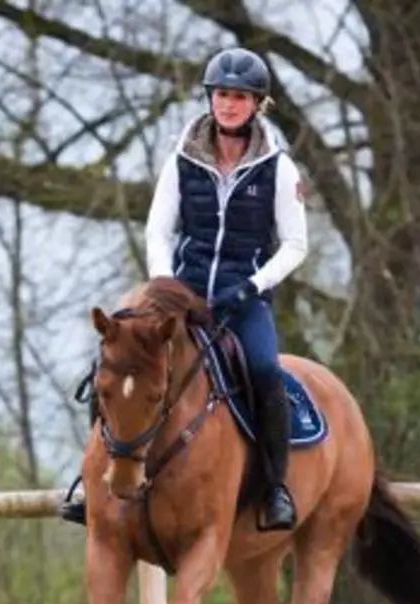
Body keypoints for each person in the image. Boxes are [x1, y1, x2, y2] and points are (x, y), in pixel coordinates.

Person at [60, 46, 310, 532]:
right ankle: (91, 481)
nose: (228, 105)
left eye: (239, 97)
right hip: (181, 296)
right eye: (222, 95)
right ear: (210, 98)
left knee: (264, 370)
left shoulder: (279, 168)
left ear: (257, 104)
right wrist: (163, 283)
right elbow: (159, 230)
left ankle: (275, 488)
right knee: (113, 361)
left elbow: (295, 244)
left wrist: (252, 286)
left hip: (242, 299)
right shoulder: (182, 160)